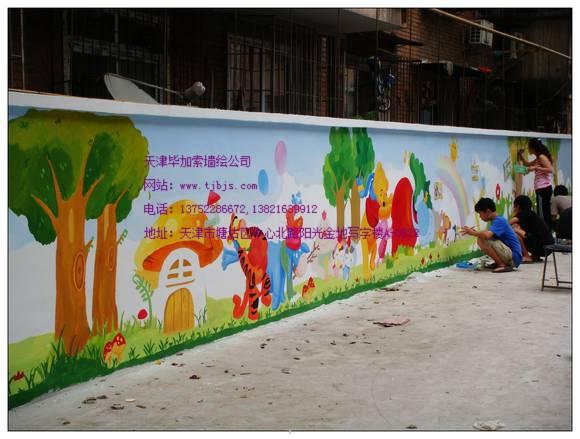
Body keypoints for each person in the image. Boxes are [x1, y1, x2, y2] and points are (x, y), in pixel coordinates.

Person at [461, 198, 522, 273]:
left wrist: (473, 233)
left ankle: (501, 265)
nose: (480, 216)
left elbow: (487, 236)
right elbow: (488, 235)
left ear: (488, 211)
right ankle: (500, 263)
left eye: (480, 213)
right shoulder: (496, 220)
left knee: (482, 239)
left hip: (514, 258)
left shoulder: (499, 220)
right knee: (482, 237)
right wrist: (475, 232)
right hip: (512, 256)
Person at [517, 138, 553, 229]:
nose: (528, 150)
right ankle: (547, 230)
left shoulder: (541, 157)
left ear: (533, 148)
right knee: (544, 211)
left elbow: (550, 169)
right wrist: (520, 155)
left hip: (543, 188)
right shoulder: (538, 158)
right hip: (542, 188)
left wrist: (536, 168)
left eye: (529, 148)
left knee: (542, 212)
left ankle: (545, 230)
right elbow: (528, 164)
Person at [509, 195, 554, 262]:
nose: (513, 208)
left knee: (515, 232)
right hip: (549, 248)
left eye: (514, 206)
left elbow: (508, 224)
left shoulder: (524, 213)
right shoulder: (531, 214)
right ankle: (535, 256)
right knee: (519, 230)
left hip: (543, 248)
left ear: (518, 206)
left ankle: (526, 256)